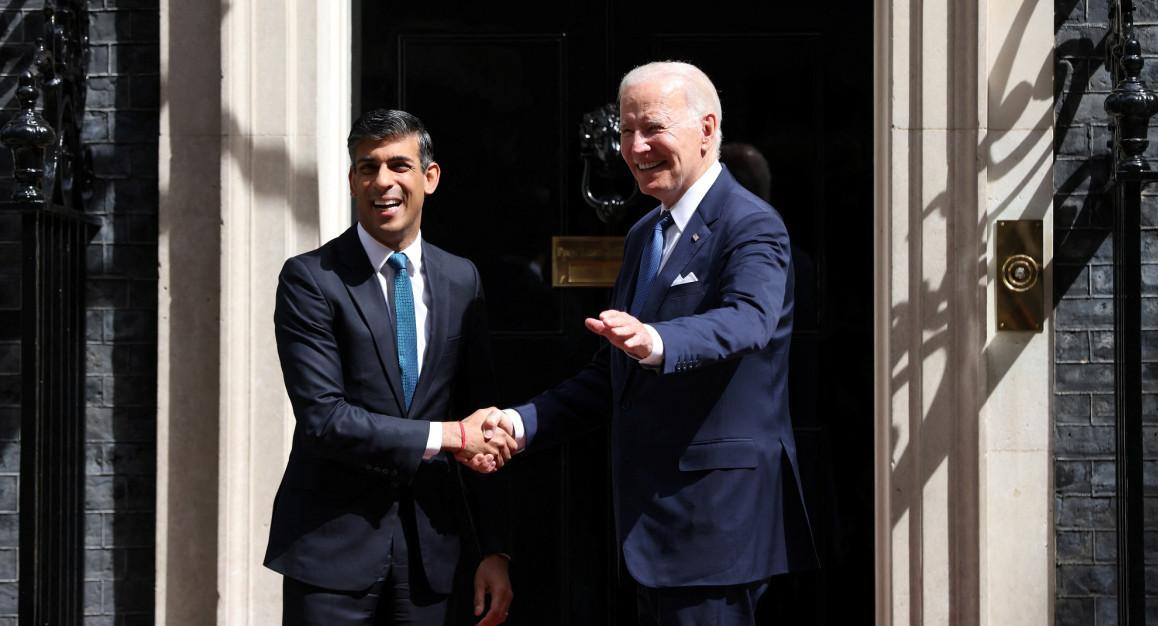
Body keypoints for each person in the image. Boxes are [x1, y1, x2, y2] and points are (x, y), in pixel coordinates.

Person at [477, 61, 819, 625]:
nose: (635, 148)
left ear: (707, 129)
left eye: (653, 129)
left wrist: (657, 338)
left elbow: (748, 320)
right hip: (649, 528)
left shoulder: (751, 223)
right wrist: (520, 423)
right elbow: (611, 376)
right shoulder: (645, 234)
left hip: (715, 526)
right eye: (627, 132)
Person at [264, 109, 516, 625]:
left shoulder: (461, 279)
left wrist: (495, 550)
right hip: (330, 548)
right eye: (366, 167)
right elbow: (324, 419)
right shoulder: (311, 279)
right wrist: (449, 436)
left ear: (430, 177)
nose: (382, 181)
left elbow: (480, 416)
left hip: (433, 552)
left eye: (398, 165)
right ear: (352, 181)